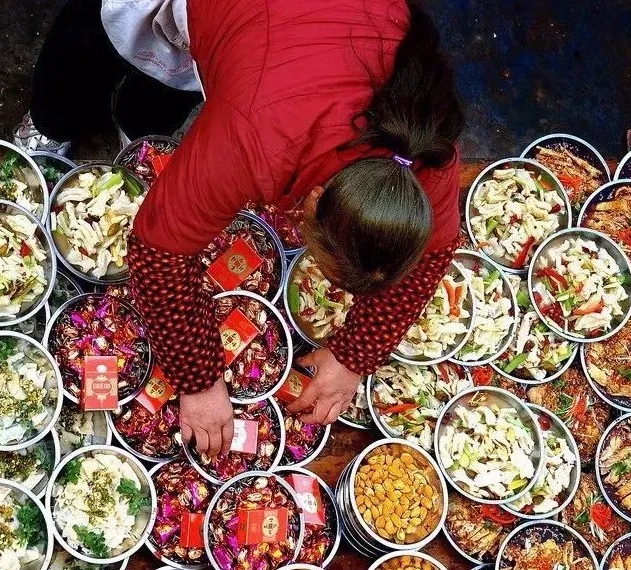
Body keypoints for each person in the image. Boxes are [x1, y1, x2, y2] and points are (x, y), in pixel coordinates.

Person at [27, 0, 464, 459]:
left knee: (183, 74)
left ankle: (138, 120)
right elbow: (157, 249)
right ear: (312, 203)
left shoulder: (428, 150)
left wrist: (355, 355)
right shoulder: (257, 138)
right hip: (274, 51)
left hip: (285, 38)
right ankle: (49, 120)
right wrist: (199, 382)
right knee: (89, 39)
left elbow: (433, 255)